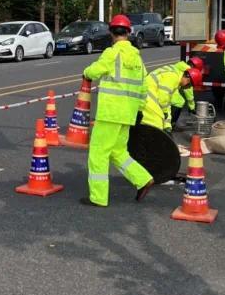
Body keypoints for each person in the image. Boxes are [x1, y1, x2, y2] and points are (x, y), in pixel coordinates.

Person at [81, 14, 155, 206]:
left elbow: (95, 71)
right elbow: (143, 87)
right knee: (118, 152)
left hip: (110, 112)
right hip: (128, 114)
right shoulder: (137, 59)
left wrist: (86, 73)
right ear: (129, 32)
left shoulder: (111, 53)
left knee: (98, 153)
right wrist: (139, 110)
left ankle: (98, 198)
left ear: (111, 32)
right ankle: (143, 179)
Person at [141, 62, 203, 133]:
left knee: (157, 124)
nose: (186, 88)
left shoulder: (176, 77)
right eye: (188, 86)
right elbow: (163, 99)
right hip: (146, 97)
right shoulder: (173, 77)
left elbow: (167, 103)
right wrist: (165, 114)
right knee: (156, 125)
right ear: (188, 80)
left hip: (147, 95)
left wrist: (167, 125)